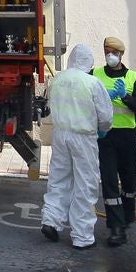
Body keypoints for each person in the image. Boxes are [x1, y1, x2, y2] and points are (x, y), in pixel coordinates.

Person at [41, 43, 114, 250]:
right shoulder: (92, 83)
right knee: (85, 184)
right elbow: (106, 116)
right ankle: (82, 236)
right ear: (89, 62)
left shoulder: (57, 79)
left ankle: (51, 221)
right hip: (83, 138)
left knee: (58, 179)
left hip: (60, 135)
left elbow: (48, 105)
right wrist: (102, 129)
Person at [92, 36, 136, 248]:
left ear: (120, 54)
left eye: (113, 52)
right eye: (106, 52)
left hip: (128, 136)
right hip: (105, 136)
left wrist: (125, 96)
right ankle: (116, 227)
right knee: (109, 180)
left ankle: (127, 212)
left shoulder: (133, 76)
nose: (109, 56)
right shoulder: (95, 74)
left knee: (130, 178)